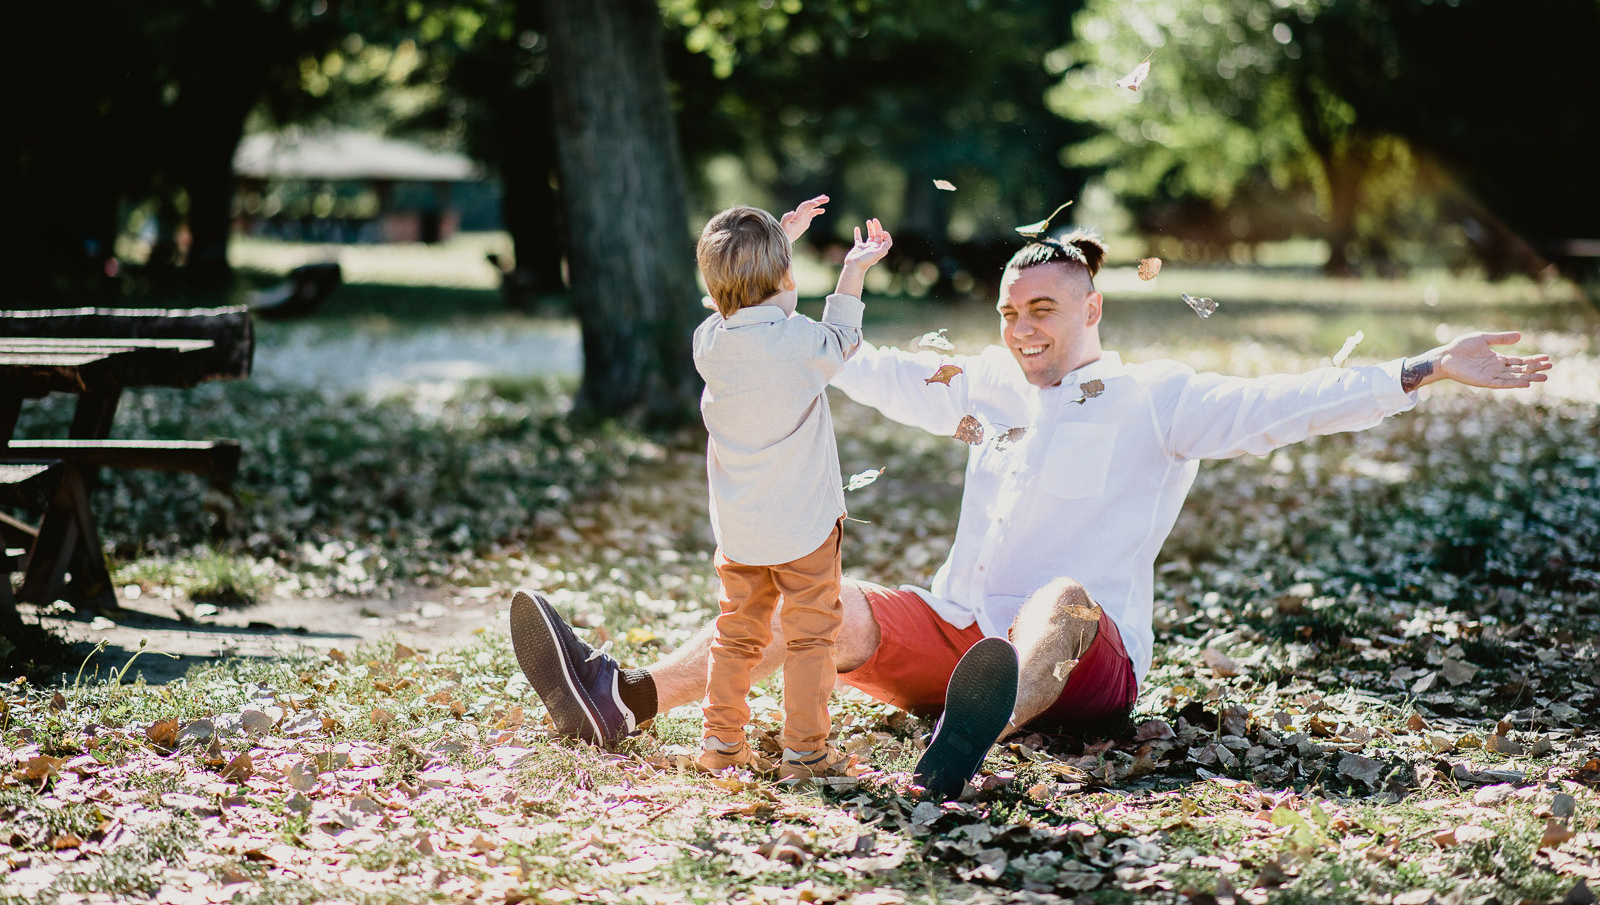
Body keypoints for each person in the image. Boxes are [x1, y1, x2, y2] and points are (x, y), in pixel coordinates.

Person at [509, 231, 1552, 798]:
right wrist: (767, 314)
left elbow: (1288, 407)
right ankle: (622, 699)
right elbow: (858, 366)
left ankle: (972, 739)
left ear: (1091, 309)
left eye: (1042, 309)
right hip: (957, 630)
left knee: (1058, 595)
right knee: (821, 601)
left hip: (1084, 664)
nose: (1021, 329)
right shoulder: (985, 386)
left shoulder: (1160, 398)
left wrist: (1422, 369)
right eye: (1009, 313)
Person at [512, 197, 893, 782]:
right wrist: (854, 269)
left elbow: (741, 302)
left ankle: (721, 744)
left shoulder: (708, 343)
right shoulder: (801, 345)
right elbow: (844, 335)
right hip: (806, 530)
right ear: (788, 277)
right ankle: (806, 751)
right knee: (811, 637)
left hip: (740, 533)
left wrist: (776, 245)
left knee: (737, 636)